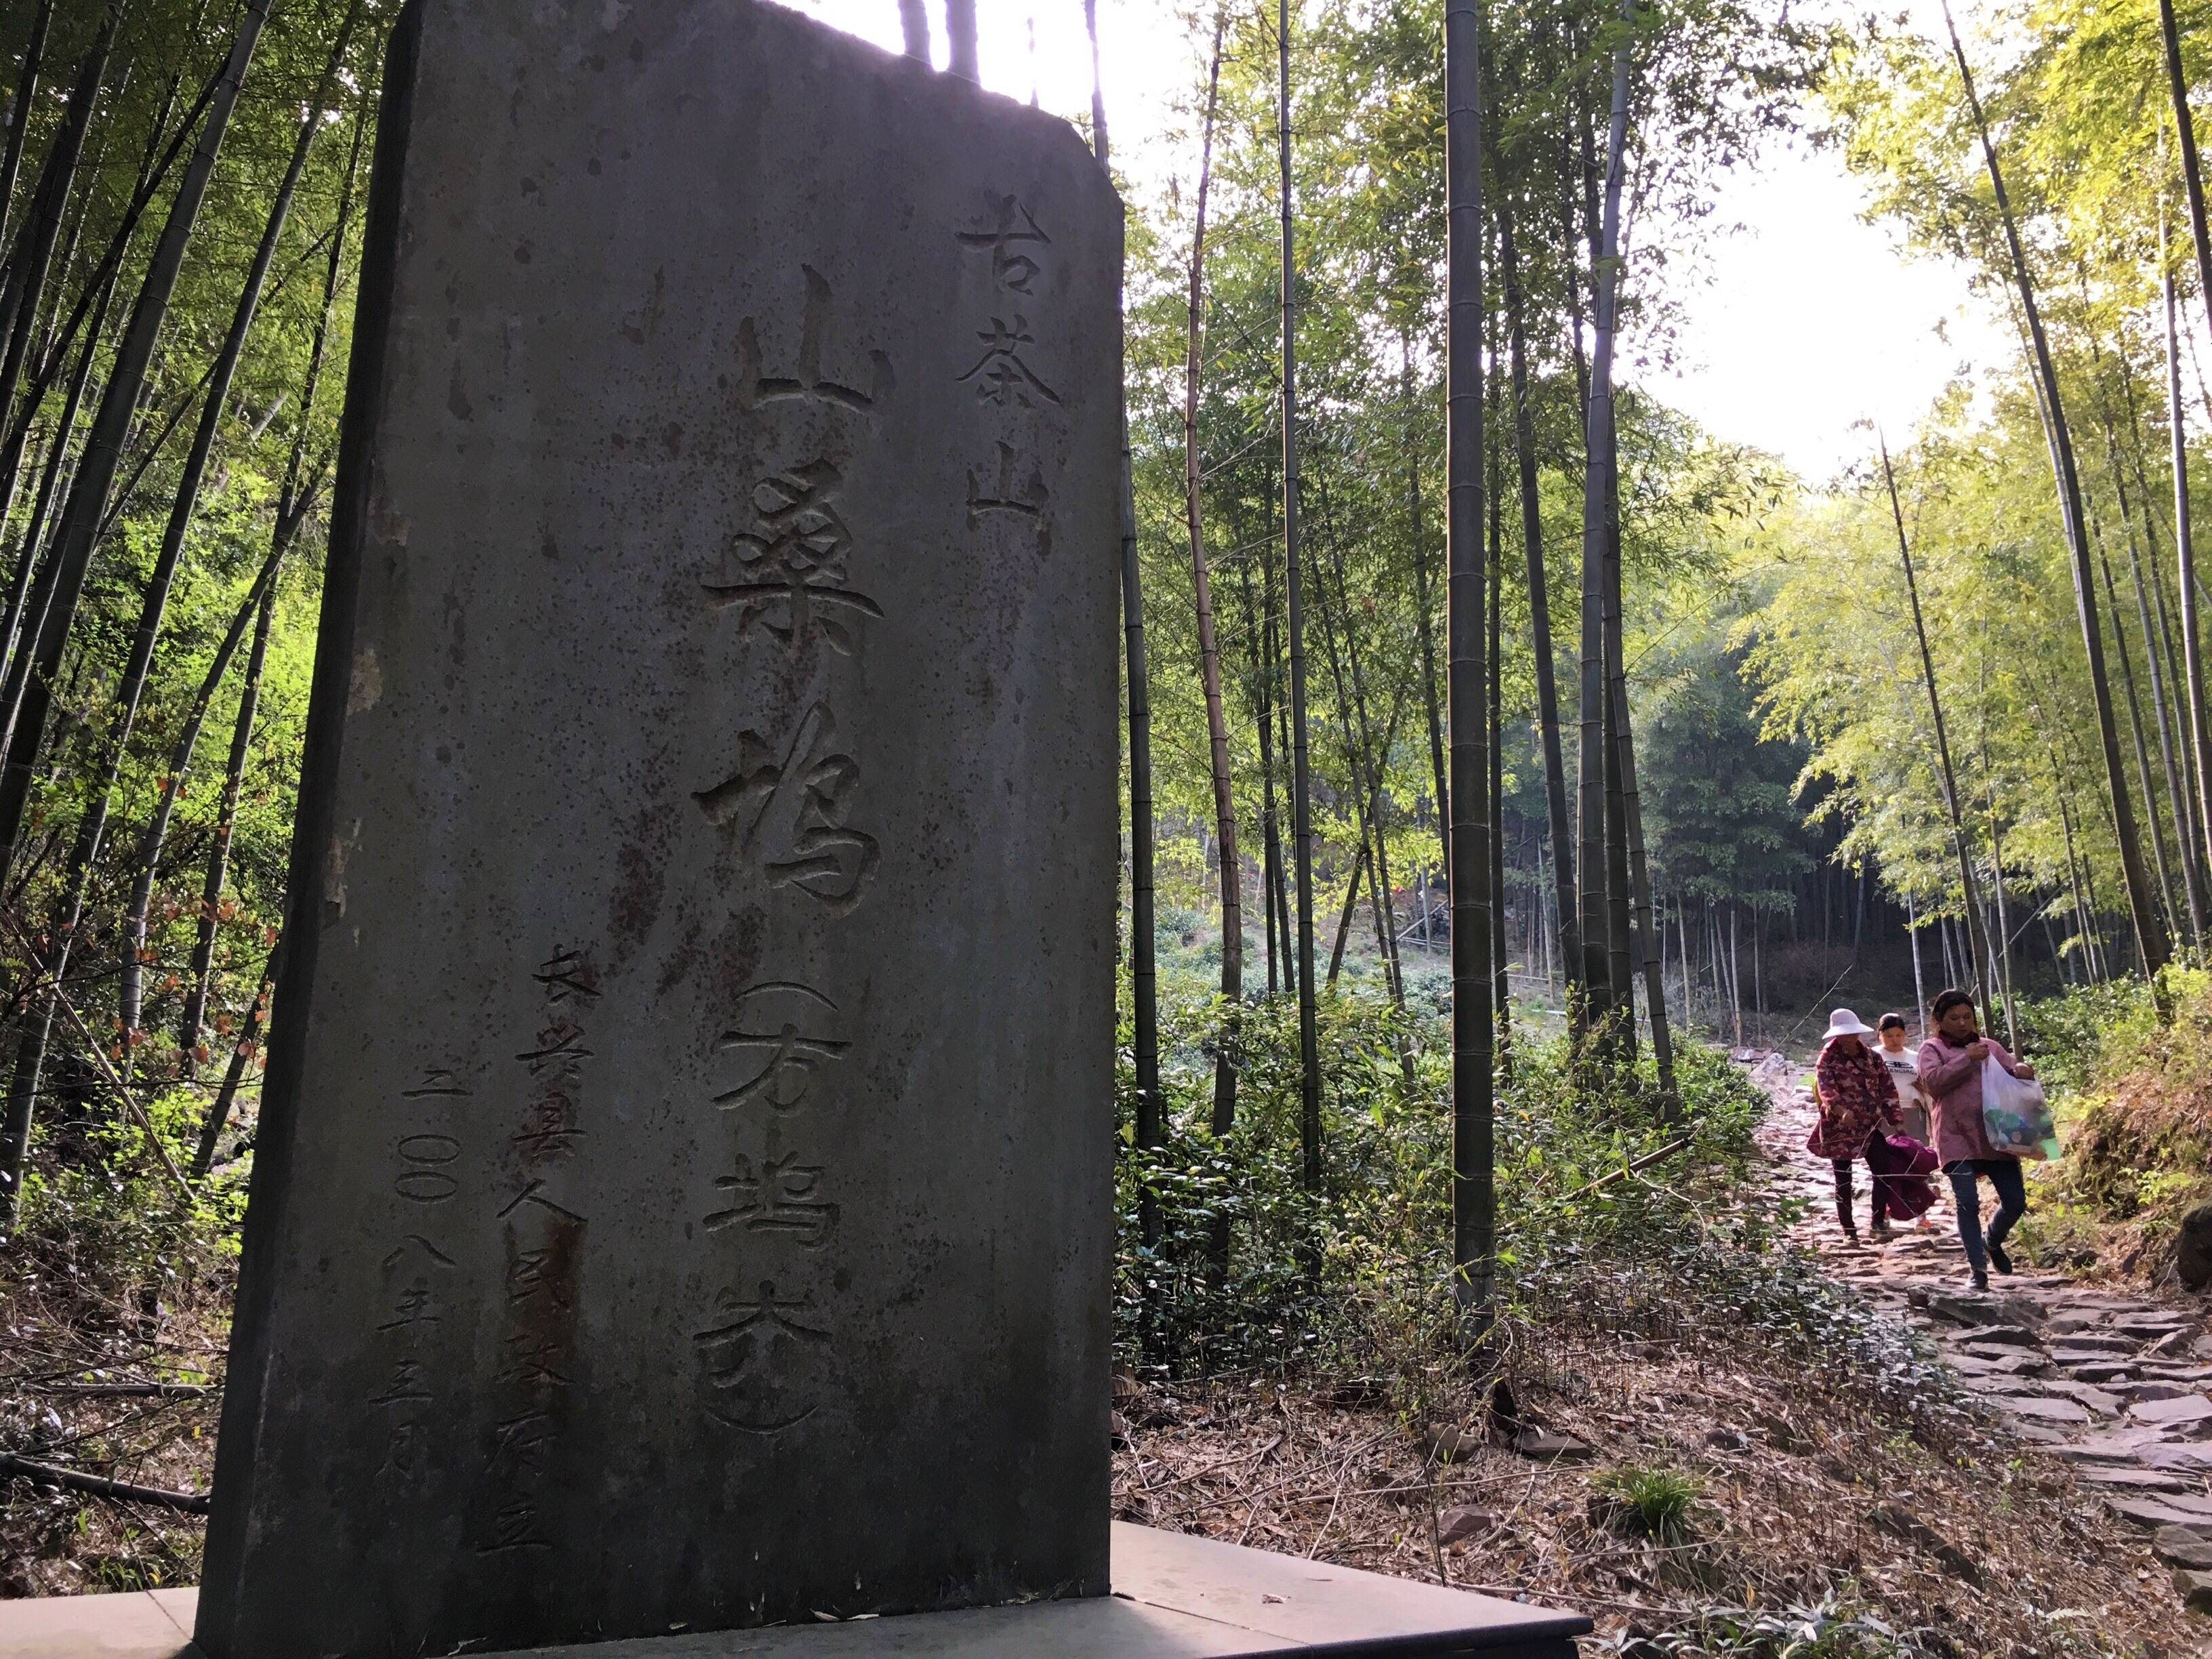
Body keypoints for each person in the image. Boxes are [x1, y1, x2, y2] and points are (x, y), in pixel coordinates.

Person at [1917, 987, 2038, 1292]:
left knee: (2016, 1202)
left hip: (1997, 1135)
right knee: (1967, 1203)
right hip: (1955, 1136)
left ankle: (1992, 1240)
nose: (1961, 1023)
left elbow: (2013, 1072)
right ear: (1939, 1021)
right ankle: (1978, 1270)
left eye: (1967, 1017)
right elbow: (1934, 1084)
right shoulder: (1931, 1049)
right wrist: (1965, 1061)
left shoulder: (1990, 1046)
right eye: (1954, 1018)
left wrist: (2023, 1071)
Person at [1809, 1008, 1902, 1244]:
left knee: (1883, 1171)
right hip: (1839, 1129)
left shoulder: (1872, 1057)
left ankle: (1878, 1222)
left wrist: (1896, 1120)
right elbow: (1826, 1090)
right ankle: (1848, 1230)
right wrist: (1840, 1112)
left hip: (1870, 1125)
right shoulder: (1827, 1058)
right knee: (1843, 1179)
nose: (1850, 1037)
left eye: (1853, 1032)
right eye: (1845, 1033)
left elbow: (1887, 1088)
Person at [1873, 1012, 1942, 1231]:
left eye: (1899, 1035)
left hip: (1914, 1113)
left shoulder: (1915, 1056)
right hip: (1883, 1117)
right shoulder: (1873, 1056)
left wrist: (1926, 1089)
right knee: (1885, 1168)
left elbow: (1929, 1084)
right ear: (1880, 1035)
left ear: (1905, 1036)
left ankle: (1921, 1217)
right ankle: (1882, 1214)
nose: (1894, 1040)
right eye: (1889, 1035)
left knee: (1917, 1166)